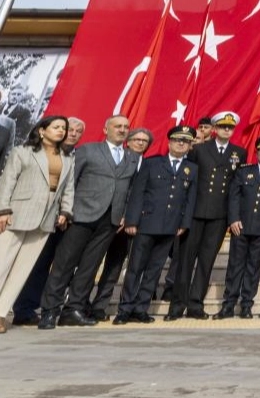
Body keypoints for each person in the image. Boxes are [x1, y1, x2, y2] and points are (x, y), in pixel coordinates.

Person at [39, 115, 139, 329]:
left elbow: (131, 189)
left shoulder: (132, 158)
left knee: (90, 266)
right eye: (117, 126)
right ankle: (50, 310)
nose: (122, 130)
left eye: (126, 127)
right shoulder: (87, 150)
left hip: (111, 220)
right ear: (105, 129)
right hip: (80, 215)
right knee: (64, 264)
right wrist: (65, 210)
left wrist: (125, 213)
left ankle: (73, 309)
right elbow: (70, 182)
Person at [113, 125, 198, 326]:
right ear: (169, 142)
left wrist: (184, 223)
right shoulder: (152, 163)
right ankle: (125, 309)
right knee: (135, 268)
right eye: (177, 140)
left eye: (185, 141)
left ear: (189, 146)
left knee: (154, 270)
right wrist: (132, 220)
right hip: (146, 223)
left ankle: (141, 308)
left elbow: (190, 199)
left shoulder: (192, 169)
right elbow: (138, 192)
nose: (181, 144)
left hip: (170, 226)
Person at [169, 111, 248, 320]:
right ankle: (177, 306)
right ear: (214, 129)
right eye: (223, 126)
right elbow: (189, 181)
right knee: (185, 261)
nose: (226, 130)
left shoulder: (239, 153)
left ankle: (195, 304)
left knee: (206, 261)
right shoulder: (199, 149)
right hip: (195, 212)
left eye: (230, 127)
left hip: (219, 215)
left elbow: (235, 188)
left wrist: (232, 216)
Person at [0, 116, 74, 334]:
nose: (61, 131)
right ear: (42, 130)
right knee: (2, 263)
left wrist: (65, 211)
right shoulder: (22, 152)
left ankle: (1, 314)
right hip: (17, 213)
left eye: (63, 128)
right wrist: (3, 209)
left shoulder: (67, 158)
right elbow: (7, 181)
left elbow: (68, 188)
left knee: (22, 270)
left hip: (46, 217)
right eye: (56, 127)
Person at [214, 135, 260, 320]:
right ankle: (228, 304)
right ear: (256, 152)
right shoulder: (244, 171)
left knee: (253, 267)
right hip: (241, 226)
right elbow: (234, 196)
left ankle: (246, 304)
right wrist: (233, 219)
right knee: (235, 266)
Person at [90, 127, 154, 320]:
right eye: (137, 139)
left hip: (137, 224)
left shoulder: (151, 164)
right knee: (100, 263)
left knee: (123, 267)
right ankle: (89, 304)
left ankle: (112, 306)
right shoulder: (119, 159)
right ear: (128, 141)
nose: (140, 143)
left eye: (144, 140)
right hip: (112, 219)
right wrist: (123, 214)